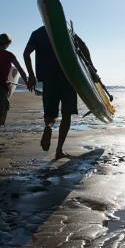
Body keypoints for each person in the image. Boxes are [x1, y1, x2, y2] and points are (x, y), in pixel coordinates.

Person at [24, 25, 79, 159]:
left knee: (50, 114)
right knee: (66, 115)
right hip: (68, 78)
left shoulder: (37, 33)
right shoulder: (66, 30)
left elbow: (26, 53)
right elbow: (83, 50)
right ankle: (59, 150)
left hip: (49, 79)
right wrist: (92, 70)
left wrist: (31, 75)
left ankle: (48, 127)